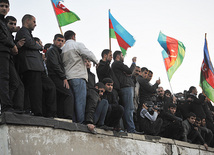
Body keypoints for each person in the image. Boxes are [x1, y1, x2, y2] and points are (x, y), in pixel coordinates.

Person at [61, 30, 98, 123]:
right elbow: (88, 53)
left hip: (68, 78)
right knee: (80, 102)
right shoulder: (77, 45)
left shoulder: (62, 49)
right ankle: (81, 123)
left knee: (72, 102)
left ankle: (74, 122)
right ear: (73, 36)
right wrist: (96, 61)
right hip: (78, 76)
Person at [15, 14, 45, 116]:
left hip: (32, 66)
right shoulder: (23, 31)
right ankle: (37, 112)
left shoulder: (27, 32)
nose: (35, 24)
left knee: (32, 90)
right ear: (27, 21)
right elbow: (30, 43)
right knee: (35, 90)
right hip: (30, 66)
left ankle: (31, 110)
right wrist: (39, 46)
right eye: (34, 22)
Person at [0, 0, 23, 113]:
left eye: (6, 6)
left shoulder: (4, 22)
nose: (4, 8)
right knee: (4, 79)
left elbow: (6, 35)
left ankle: (9, 105)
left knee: (14, 82)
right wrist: (12, 45)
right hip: (2, 52)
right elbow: (2, 37)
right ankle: (5, 107)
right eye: (1, 6)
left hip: (7, 54)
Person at [46, 34, 73, 119]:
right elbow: (55, 65)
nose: (60, 43)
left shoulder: (58, 51)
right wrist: (63, 77)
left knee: (61, 95)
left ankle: (61, 115)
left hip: (58, 76)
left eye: (62, 41)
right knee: (69, 94)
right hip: (55, 76)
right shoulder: (52, 50)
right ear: (54, 41)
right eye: (58, 40)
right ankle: (68, 117)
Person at [111, 50, 136, 133]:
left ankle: (125, 128)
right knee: (129, 109)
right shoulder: (117, 63)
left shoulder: (115, 65)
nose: (123, 57)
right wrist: (133, 63)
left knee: (125, 109)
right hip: (126, 87)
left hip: (122, 88)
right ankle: (131, 129)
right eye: (122, 55)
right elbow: (129, 71)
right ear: (118, 56)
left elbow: (127, 72)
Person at [4, 15, 25, 112]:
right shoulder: (5, 34)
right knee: (13, 83)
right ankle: (8, 106)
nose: (13, 26)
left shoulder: (11, 36)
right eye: (11, 24)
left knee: (18, 84)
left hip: (10, 61)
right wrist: (16, 45)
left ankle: (16, 107)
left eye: (15, 24)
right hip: (5, 60)